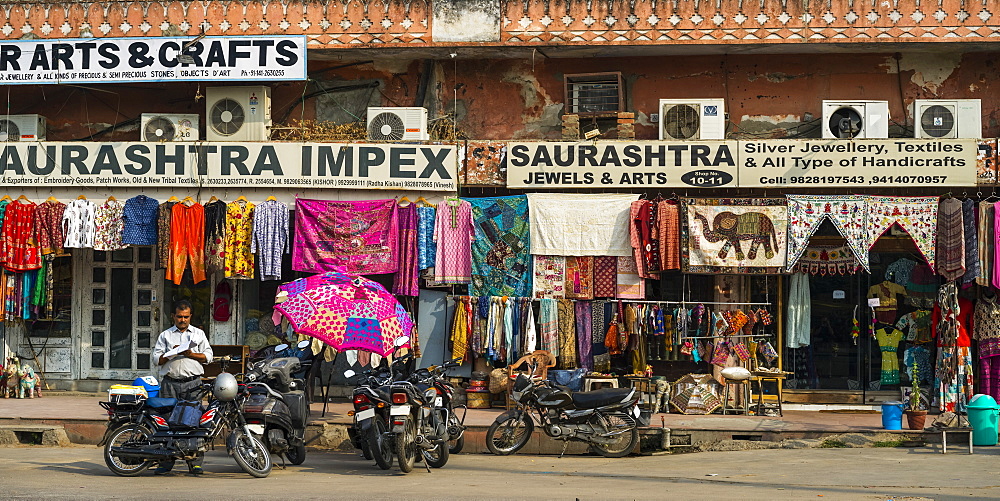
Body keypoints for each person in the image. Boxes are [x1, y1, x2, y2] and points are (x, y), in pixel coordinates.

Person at [151, 299, 214, 475]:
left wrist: (191, 354)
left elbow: (208, 356)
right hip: (170, 383)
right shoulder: (165, 335)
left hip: (193, 384)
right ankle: (166, 462)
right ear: (173, 316)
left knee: (193, 422)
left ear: (190, 316)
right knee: (166, 422)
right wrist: (173, 354)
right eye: (179, 317)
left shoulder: (198, 335)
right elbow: (157, 359)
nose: (182, 320)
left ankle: (195, 462)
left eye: (186, 317)